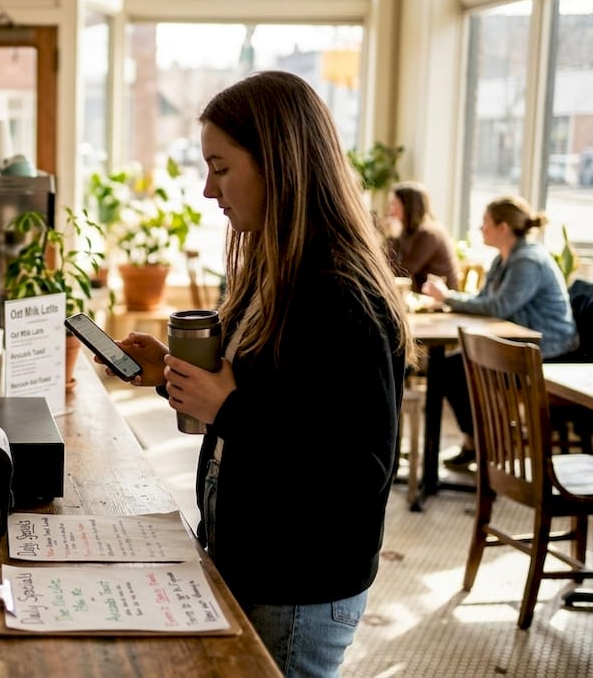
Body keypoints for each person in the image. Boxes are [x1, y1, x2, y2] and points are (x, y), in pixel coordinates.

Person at [101, 71, 411, 677]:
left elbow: (360, 469)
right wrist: (168, 371)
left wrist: (231, 411)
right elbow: (267, 395)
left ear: (279, 163)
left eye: (220, 167)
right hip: (250, 558)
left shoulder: (338, 293)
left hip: (299, 585)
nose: (207, 190)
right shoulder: (271, 270)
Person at [422, 195, 577, 471]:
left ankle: (485, 447)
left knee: (455, 369)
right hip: (517, 342)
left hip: (548, 349)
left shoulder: (527, 261)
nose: (481, 229)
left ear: (503, 228)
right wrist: (450, 300)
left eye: (485, 223)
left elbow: (499, 306)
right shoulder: (502, 260)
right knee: (450, 368)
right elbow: (483, 300)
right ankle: (476, 443)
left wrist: (448, 298)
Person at [385, 181, 459, 290]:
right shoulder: (408, 231)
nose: (390, 210)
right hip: (419, 294)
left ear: (408, 206)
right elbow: (389, 265)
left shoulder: (429, 233)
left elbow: (403, 271)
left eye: (394, 204)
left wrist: (392, 237)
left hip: (437, 301)